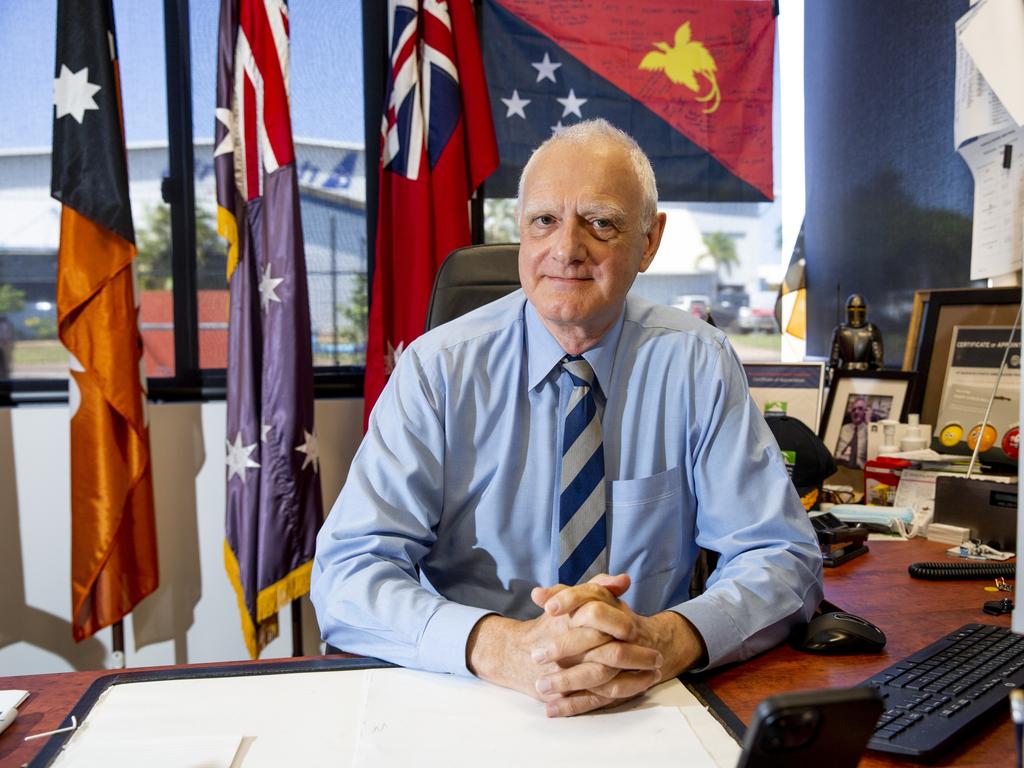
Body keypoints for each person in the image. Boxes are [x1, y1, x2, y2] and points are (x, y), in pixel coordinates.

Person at [311, 119, 822, 718]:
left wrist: (669, 638)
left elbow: (781, 555)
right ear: (521, 233)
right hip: (472, 693)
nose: (566, 249)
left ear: (650, 242)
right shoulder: (437, 370)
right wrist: (503, 646)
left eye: (600, 222)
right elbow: (348, 574)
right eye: (544, 221)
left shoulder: (696, 362)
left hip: (646, 698)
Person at [826, 294, 883, 384]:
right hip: (857, 376)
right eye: (853, 308)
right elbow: (878, 363)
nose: (856, 311)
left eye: (859, 308)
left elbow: (833, 363)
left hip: (854, 376)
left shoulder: (840, 331)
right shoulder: (871, 330)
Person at [834, 396, 871, 469]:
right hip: (838, 464)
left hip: (858, 469)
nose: (856, 412)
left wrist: (869, 422)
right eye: (853, 410)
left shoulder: (869, 431)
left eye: (860, 409)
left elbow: (875, 452)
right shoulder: (843, 428)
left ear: (865, 412)